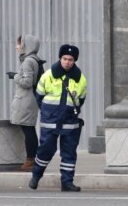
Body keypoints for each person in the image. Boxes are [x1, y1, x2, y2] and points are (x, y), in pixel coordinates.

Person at [29, 44, 87, 192]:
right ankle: (36, 175)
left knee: (69, 153)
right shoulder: (48, 75)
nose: (67, 62)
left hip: (70, 122)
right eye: (65, 58)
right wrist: (48, 112)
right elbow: (39, 97)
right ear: (60, 58)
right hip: (50, 121)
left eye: (70, 59)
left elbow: (81, 100)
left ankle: (67, 183)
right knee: (45, 150)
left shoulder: (81, 79)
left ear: (75, 61)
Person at [9, 34, 46, 172]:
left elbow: (27, 82)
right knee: (29, 129)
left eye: (19, 44)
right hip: (30, 99)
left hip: (25, 100)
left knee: (28, 129)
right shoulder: (34, 60)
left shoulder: (28, 61)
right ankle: (33, 159)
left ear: (26, 45)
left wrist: (15, 76)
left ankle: (30, 160)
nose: (17, 47)